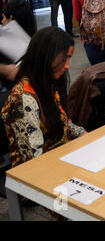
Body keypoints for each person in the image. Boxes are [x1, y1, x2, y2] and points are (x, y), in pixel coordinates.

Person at [1, 27, 86, 168]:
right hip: (40, 174)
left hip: (60, 160)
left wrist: (83, 134)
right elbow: (34, 161)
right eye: (64, 59)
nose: (68, 66)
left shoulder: (47, 85)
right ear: (46, 58)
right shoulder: (24, 100)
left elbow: (63, 122)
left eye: (69, 59)